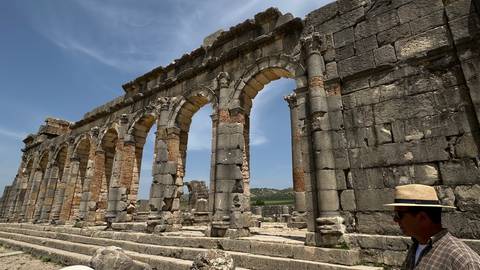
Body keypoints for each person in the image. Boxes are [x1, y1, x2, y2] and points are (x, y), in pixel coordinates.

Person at [384, 184, 480, 269]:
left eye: (399, 214)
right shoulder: (416, 246)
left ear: (422, 217)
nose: (395, 220)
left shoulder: (462, 261)